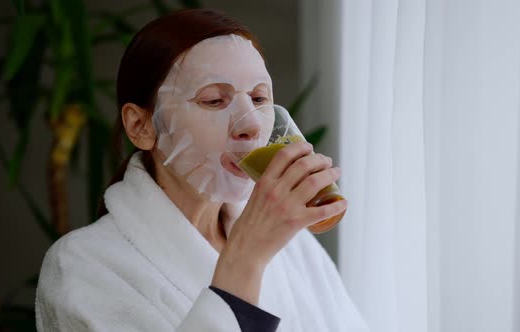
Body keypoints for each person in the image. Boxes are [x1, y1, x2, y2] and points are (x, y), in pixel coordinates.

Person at [35, 8, 368, 332]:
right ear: (140, 126)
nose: (250, 124)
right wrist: (246, 258)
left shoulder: (291, 242)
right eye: (213, 101)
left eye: (258, 98)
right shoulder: (82, 265)